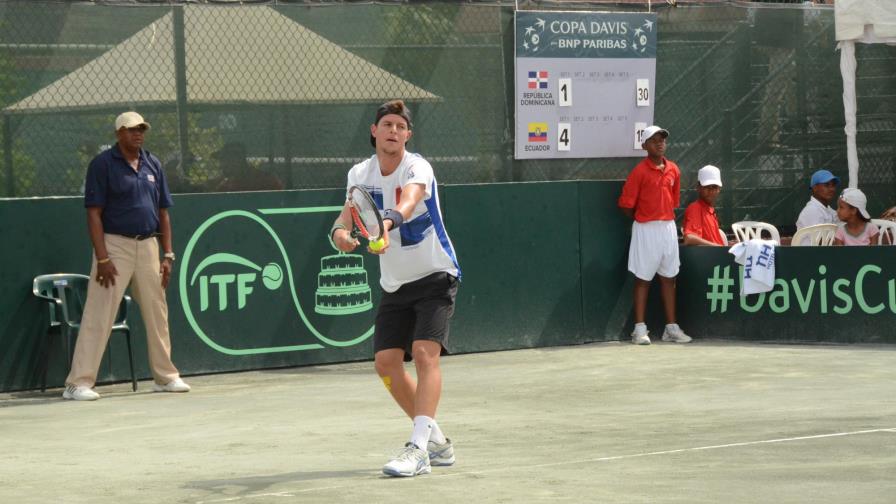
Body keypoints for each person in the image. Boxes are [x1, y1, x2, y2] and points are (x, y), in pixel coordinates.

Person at [329, 100, 461, 477]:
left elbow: (410, 199)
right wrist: (339, 234)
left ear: (408, 135)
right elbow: (347, 213)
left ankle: (418, 449)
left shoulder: (418, 167)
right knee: (386, 364)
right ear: (374, 131)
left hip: (436, 274)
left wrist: (385, 225)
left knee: (423, 353)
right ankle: (436, 440)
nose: (393, 131)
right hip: (395, 283)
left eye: (400, 127)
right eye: (386, 124)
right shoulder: (359, 172)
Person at [63, 112, 190, 401]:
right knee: (99, 313)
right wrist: (103, 257)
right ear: (119, 133)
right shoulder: (102, 165)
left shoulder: (153, 163)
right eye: (132, 130)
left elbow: (163, 213)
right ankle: (77, 383)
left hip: (148, 246)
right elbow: (93, 214)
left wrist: (167, 254)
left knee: (157, 313)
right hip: (114, 246)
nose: (138, 134)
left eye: (141, 129)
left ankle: (165, 377)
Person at [618, 125, 691, 345]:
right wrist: (643, 218)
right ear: (645, 145)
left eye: (662, 140)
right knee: (643, 279)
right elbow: (625, 205)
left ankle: (671, 328)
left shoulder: (674, 170)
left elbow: (674, 201)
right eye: (654, 140)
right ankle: (639, 330)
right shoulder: (639, 172)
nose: (659, 143)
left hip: (668, 227)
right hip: (645, 228)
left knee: (669, 277)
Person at [682, 165, 727, 247]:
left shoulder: (711, 209)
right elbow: (689, 238)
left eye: (714, 187)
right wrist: (718, 248)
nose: (711, 191)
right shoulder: (695, 208)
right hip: (710, 257)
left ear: (719, 189)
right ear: (698, 187)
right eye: (707, 187)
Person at [210, 142, 283, 192]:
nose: (221, 165)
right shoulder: (224, 187)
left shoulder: (265, 181)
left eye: (225, 160)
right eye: (221, 161)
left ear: (237, 160)